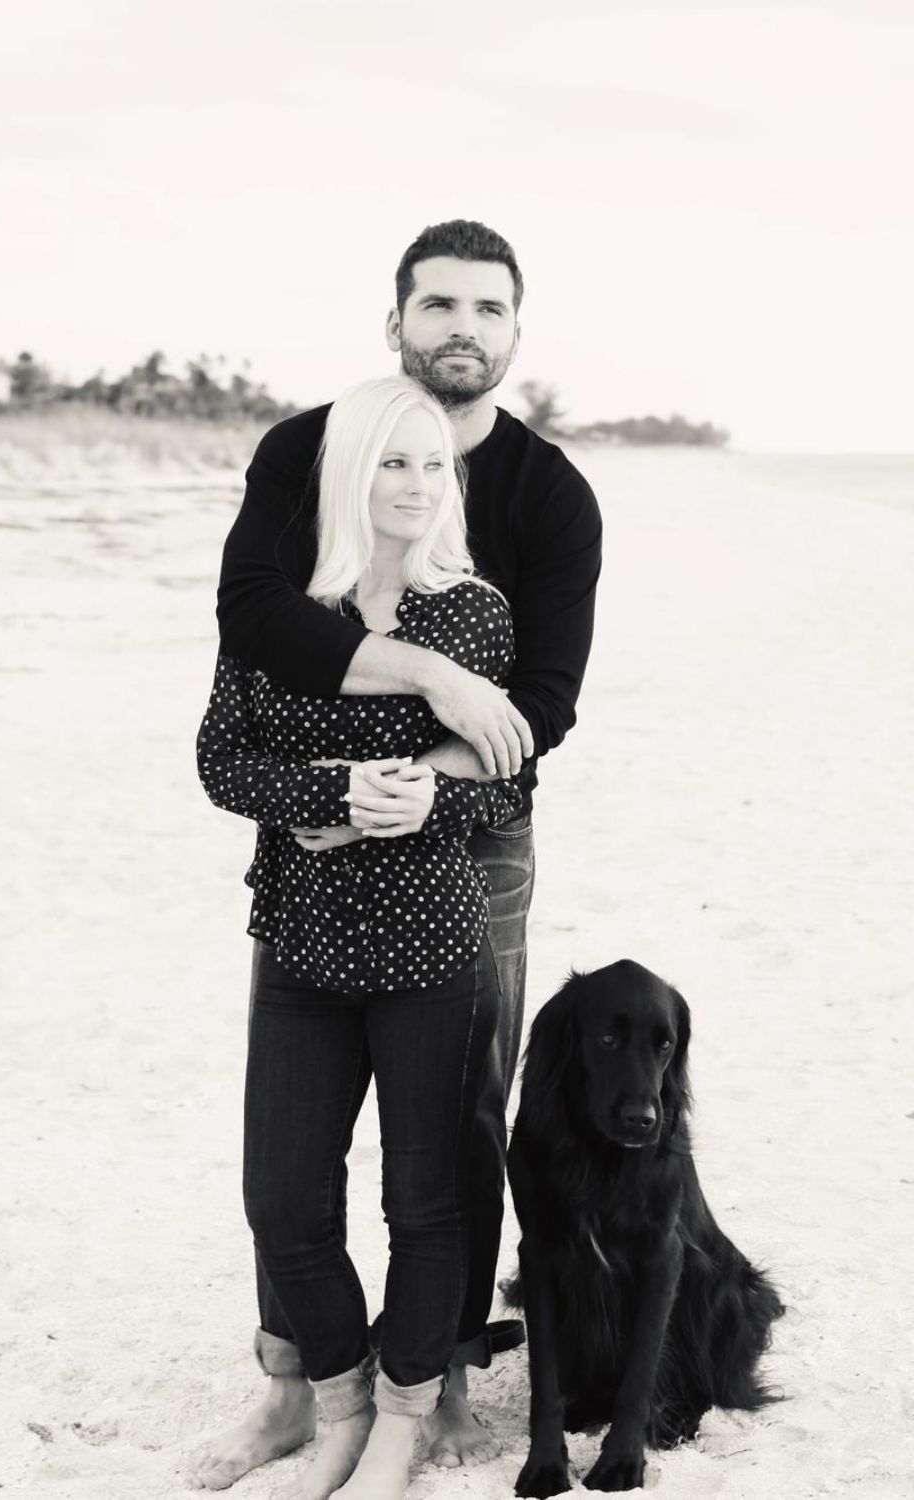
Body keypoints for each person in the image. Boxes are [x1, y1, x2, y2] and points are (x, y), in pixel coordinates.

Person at [192, 220, 602, 1491]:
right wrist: (401, 698)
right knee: (292, 1155)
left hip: (470, 838)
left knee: (451, 1127)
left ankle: (438, 1379)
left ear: (515, 333)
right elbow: (251, 615)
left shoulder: (548, 498)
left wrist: (408, 788)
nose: (460, 329)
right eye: (438, 306)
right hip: (310, 860)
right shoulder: (305, 449)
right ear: (396, 323)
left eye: (488, 309)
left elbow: (539, 709)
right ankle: (294, 1385)